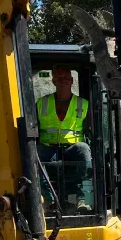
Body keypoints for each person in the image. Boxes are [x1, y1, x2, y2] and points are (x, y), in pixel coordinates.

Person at [36, 67, 92, 210]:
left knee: (83, 149)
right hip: (49, 148)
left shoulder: (83, 104)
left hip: (71, 149)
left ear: (72, 80)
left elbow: (91, 128)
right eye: (59, 78)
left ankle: (82, 200)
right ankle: (48, 200)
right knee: (35, 155)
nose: (63, 81)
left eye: (66, 78)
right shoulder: (42, 103)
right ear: (53, 81)